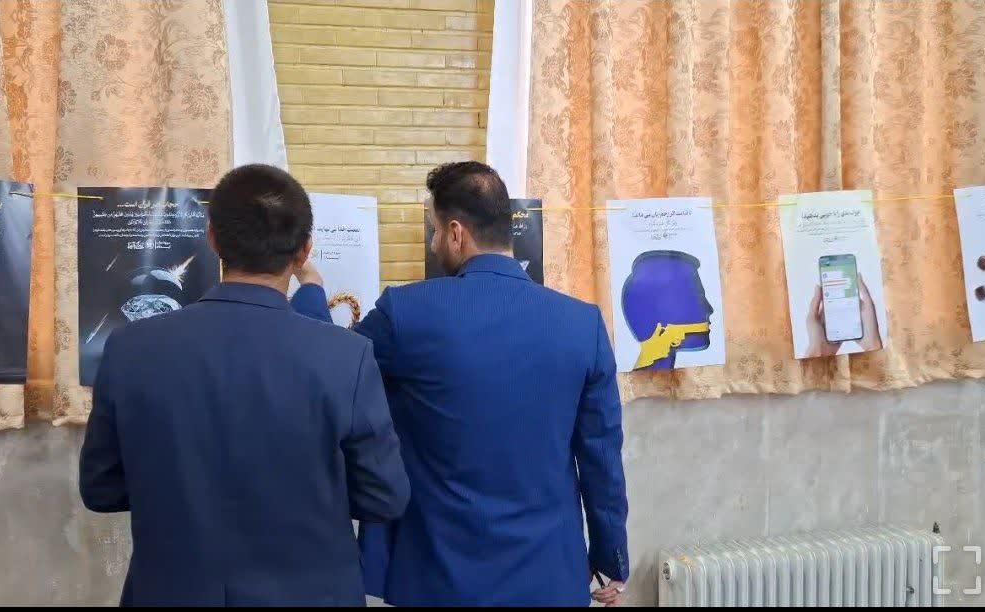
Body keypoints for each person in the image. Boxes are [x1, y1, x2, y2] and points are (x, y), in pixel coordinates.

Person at [291, 161, 629, 607]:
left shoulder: (406, 312)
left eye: (434, 231)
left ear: (456, 233)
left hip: (439, 575)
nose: (434, 243)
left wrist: (310, 288)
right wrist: (610, 555)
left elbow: (325, 367)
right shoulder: (582, 323)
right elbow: (602, 456)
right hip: (549, 575)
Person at [79, 164, 410, 607]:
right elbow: (384, 497)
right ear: (305, 250)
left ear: (212, 238)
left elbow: (101, 489)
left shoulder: (130, 347)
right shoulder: (347, 356)